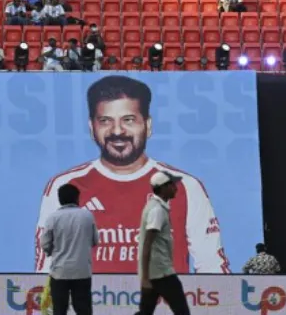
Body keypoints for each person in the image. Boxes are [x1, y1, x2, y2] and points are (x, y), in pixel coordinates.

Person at [35, 75, 229, 275]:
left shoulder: (185, 187)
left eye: (128, 120)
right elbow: (46, 270)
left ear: (148, 125)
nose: (117, 131)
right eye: (105, 121)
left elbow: (213, 269)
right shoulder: (65, 186)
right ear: (92, 128)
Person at [136, 171, 191, 315]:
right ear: (163, 187)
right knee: (182, 311)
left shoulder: (156, 207)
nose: (176, 188)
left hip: (155, 272)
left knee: (145, 312)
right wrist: (145, 278)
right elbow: (147, 244)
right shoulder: (157, 210)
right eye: (172, 185)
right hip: (162, 272)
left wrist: (146, 277)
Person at [39, 183, 98, 315]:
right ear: (77, 198)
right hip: (82, 270)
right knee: (84, 310)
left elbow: (45, 243)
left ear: (60, 199)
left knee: (59, 310)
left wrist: (53, 251)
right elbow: (95, 240)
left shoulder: (53, 218)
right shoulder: (87, 216)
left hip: (59, 271)